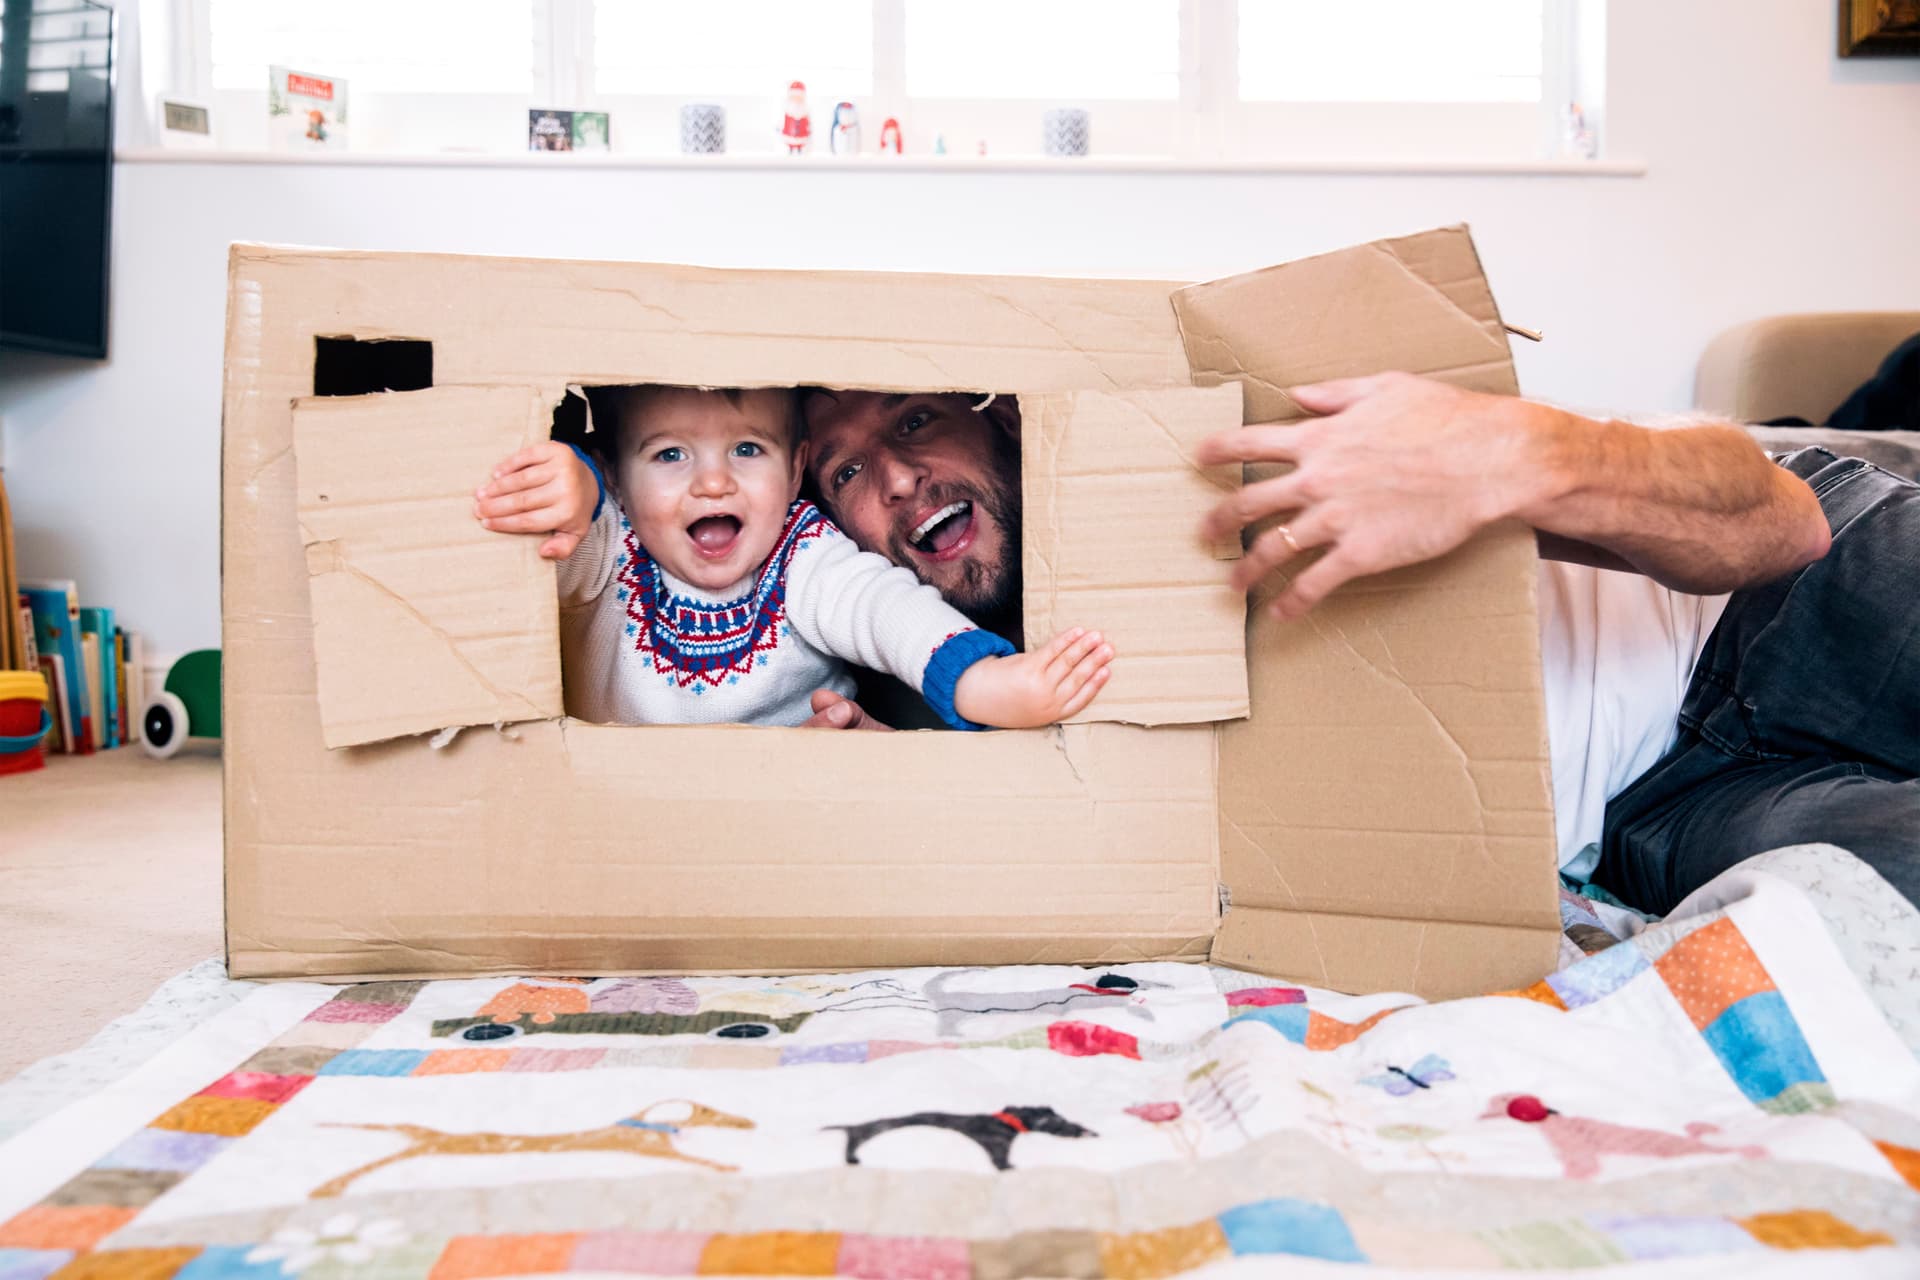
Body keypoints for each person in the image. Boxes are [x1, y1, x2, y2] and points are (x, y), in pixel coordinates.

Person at [801, 374, 1919, 917]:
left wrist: (1508, 454)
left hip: (1759, 601)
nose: (897, 479)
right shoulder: (936, 677)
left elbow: (1783, 525)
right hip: (1651, 812)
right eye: (846, 470)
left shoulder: (1197, 441)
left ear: (999, 418)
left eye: (911, 422)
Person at [470, 385, 1113, 731]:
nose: (713, 484)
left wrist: (986, 684)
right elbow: (544, 554)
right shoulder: (613, 547)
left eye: (747, 450)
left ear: (796, 470)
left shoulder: (803, 552)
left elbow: (884, 610)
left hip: (786, 833)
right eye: (669, 455)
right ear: (619, 476)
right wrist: (570, 486)